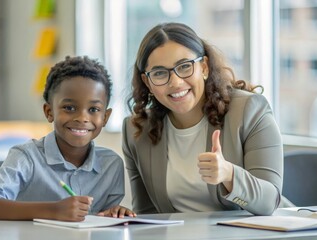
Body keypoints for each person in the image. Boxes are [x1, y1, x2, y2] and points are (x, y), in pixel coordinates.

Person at [122, 22, 284, 216]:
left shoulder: (250, 111)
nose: (175, 82)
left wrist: (229, 174)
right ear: (147, 82)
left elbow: (269, 202)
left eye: (184, 67)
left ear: (204, 67)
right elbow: (147, 216)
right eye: (159, 73)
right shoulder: (137, 130)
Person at [0, 56, 136, 221]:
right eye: (69, 108)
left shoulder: (111, 165)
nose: (82, 118)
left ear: (105, 117)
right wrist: (54, 210)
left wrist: (113, 213)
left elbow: (100, 221)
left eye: (94, 109)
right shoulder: (27, 157)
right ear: (49, 112)